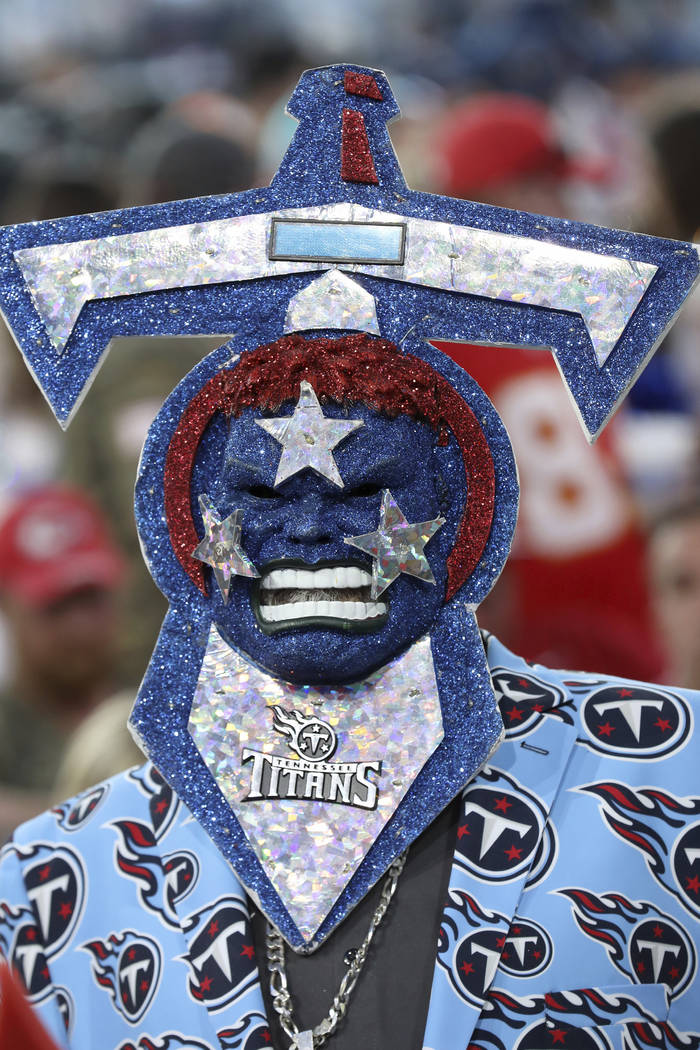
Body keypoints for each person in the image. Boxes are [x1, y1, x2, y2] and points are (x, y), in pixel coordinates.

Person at [0, 64, 699, 1050]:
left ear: (461, 507)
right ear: (182, 521)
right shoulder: (52, 882)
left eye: (368, 488)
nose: (316, 529)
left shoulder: (671, 788)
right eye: (261, 492)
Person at [0, 485, 125, 837]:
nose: (79, 627)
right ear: (8, 607)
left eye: (90, 599)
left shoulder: (163, 705)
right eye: (56, 606)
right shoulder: (7, 729)